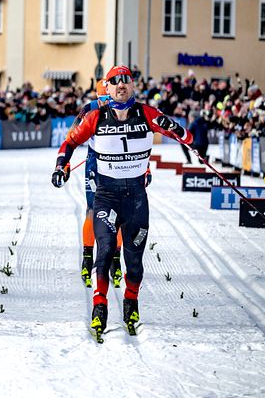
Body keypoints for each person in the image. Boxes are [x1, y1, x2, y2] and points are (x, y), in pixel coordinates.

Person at [51, 65, 192, 341]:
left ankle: (131, 304)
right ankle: (100, 306)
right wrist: (61, 166)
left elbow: (188, 138)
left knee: (134, 261)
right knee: (105, 252)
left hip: (137, 199)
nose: (121, 86)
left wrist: (174, 128)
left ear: (132, 85)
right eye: (115, 82)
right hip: (107, 195)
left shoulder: (148, 113)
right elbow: (69, 142)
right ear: (107, 87)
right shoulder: (95, 115)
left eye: (126, 81)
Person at [73, 80, 129, 288]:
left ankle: (115, 260)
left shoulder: (126, 110)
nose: (106, 103)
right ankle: (87, 259)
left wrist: (146, 169)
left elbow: (138, 141)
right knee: (93, 210)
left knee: (120, 213)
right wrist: (64, 163)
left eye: (109, 98)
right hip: (95, 164)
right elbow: (72, 136)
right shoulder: (90, 109)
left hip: (121, 164)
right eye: (102, 99)